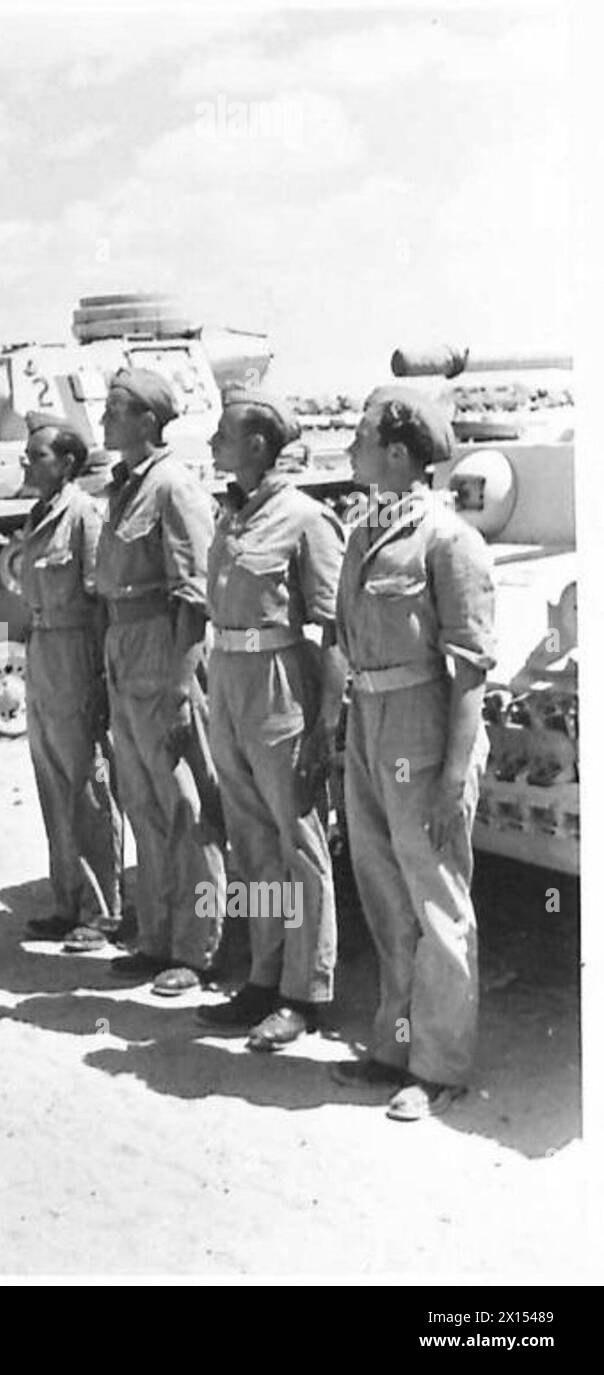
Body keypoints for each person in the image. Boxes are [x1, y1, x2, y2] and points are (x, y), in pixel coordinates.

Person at [330, 385, 495, 1121]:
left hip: (425, 728)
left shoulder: (449, 540)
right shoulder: (365, 533)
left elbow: (469, 668)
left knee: (436, 896)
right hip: (368, 722)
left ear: (398, 451)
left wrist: (454, 775)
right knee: (385, 892)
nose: (351, 447)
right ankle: (396, 1041)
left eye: (362, 435)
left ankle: (440, 1065)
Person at [197, 390, 345, 1050]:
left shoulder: (304, 519)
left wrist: (326, 724)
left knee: (298, 843)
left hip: (282, 683)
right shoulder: (234, 517)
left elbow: (335, 627)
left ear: (258, 444)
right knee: (251, 842)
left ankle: (304, 991)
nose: (212, 445)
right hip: (228, 681)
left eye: (222, 435)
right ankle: (262, 974)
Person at [95, 368, 227, 995]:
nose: (102, 420)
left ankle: (197, 948)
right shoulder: (125, 488)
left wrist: (181, 684)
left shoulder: (172, 487)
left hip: (163, 649)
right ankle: (157, 935)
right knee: (142, 799)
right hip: (126, 647)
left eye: (115, 411)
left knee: (184, 802)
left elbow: (194, 595)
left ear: (148, 421)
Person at [17, 416, 124, 951]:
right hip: (42, 651)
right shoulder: (39, 515)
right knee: (52, 779)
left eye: (37, 455)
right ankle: (67, 899)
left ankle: (100, 910)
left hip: (76, 650)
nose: (26, 462)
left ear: (66, 463)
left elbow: (101, 601)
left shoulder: (84, 516)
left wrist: (100, 678)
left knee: (87, 782)